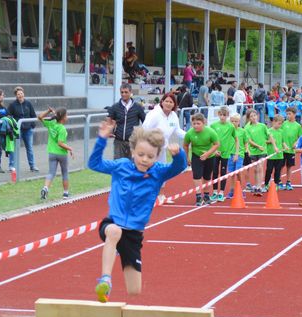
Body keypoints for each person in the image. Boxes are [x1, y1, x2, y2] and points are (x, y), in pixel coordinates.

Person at [89, 121, 186, 302]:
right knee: (115, 232)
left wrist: (178, 154)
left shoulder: (158, 172)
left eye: (150, 156)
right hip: (112, 224)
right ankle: (105, 279)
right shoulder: (121, 166)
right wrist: (102, 139)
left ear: (157, 157)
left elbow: (179, 167)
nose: (144, 159)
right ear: (133, 151)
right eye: (140, 154)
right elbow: (94, 164)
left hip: (134, 234)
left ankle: (118, 250)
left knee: (134, 290)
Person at [142, 92, 186, 204]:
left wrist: (192, 135)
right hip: (150, 147)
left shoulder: (173, 116)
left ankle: (161, 195)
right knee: (147, 171)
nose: (168, 103)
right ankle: (144, 196)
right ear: (162, 102)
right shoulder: (154, 114)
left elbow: (177, 131)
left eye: (171, 102)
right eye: (166, 101)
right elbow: (145, 129)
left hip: (162, 149)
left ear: (174, 104)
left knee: (162, 172)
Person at [37, 107, 74, 200]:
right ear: (63, 118)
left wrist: (48, 111)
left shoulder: (51, 123)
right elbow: (60, 143)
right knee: (64, 172)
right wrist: (70, 148)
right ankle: (65, 193)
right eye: (66, 115)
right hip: (61, 154)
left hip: (52, 153)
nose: (67, 117)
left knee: (51, 173)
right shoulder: (62, 129)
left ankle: (45, 188)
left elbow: (40, 117)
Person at [184, 112, 220, 206]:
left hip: (209, 156)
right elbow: (185, 145)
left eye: (198, 123)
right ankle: (199, 196)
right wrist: (187, 157)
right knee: (197, 175)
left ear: (203, 123)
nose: (196, 126)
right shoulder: (189, 133)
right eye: (194, 124)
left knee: (207, 176)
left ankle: (206, 195)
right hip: (196, 156)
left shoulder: (210, 132)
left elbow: (217, 144)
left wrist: (208, 154)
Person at [107, 83, 146, 160]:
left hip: (133, 142)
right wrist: (110, 131)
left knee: (133, 166)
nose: (123, 94)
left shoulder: (138, 107)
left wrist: (141, 135)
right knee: (118, 165)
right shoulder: (115, 107)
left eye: (126, 92)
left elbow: (146, 122)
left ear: (130, 92)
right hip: (119, 142)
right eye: (122, 92)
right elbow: (110, 119)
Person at [7, 86, 39, 172]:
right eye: (18, 94)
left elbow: (33, 115)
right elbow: (9, 116)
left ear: (23, 94)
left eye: (21, 93)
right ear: (16, 96)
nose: (20, 95)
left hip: (28, 130)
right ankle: (11, 166)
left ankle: (32, 166)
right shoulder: (12, 105)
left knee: (29, 148)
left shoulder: (28, 104)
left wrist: (32, 125)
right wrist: (13, 127)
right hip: (18, 130)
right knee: (14, 147)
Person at [210, 106, 236, 201]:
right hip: (215, 152)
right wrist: (213, 150)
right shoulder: (213, 126)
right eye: (220, 115)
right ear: (218, 115)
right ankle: (215, 192)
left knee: (223, 172)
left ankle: (221, 193)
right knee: (215, 172)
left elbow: (236, 139)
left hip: (225, 153)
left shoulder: (230, 126)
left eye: (224, 115)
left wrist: (236, 152)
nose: (222, 117)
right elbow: (210, 139)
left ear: (227, 116)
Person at [244, 108, 269, 195]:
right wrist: (258, 146)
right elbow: (249, 140)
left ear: (257, 116)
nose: (253, 117)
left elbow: (269, 135)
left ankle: (259, 187)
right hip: (253, 151)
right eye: (251, 116)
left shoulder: (262, 126)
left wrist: (272, 144)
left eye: (254, 115)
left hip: (262, 151)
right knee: (255, 169)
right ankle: (256, 185)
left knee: (260, 167)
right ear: (249, 118)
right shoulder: (247, 128)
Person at [280, 106, 302, 191]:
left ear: (294, 114)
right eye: (287, 114)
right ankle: (279, 181)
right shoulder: (284, 124)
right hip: (283, 149)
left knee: (289, 166)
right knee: (280, 166)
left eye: (290, 114)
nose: (288, 115)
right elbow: (279, 134)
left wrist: (296, 143)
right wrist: (283, 143)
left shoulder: (298, 126)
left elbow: (300, 137)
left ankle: (288, 182)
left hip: (291, 150)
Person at [227, 113, 248, 199]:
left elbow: (246, 141)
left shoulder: (242, 131)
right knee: (231, 174)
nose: (233, 123)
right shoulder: (228, 131)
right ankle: (232, 190)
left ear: (239, 122)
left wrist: (246, 149)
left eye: (235, 121)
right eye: (232, 121)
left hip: (239, 154)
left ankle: (240, 190)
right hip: (229, 154)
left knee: (238, 172)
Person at [263, 115, 284, 191]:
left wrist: (286, 146)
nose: (280, 125)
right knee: (269, 170)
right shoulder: (269, 131)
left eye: (281, 124)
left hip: (279, 155)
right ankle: (266, 184)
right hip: (271, 155)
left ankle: (276, 184)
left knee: (278, 170)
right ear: (273, 122)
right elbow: (264, 141)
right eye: (278, 123)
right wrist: (270, 141)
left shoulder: (281, 131)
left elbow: (283, 141)